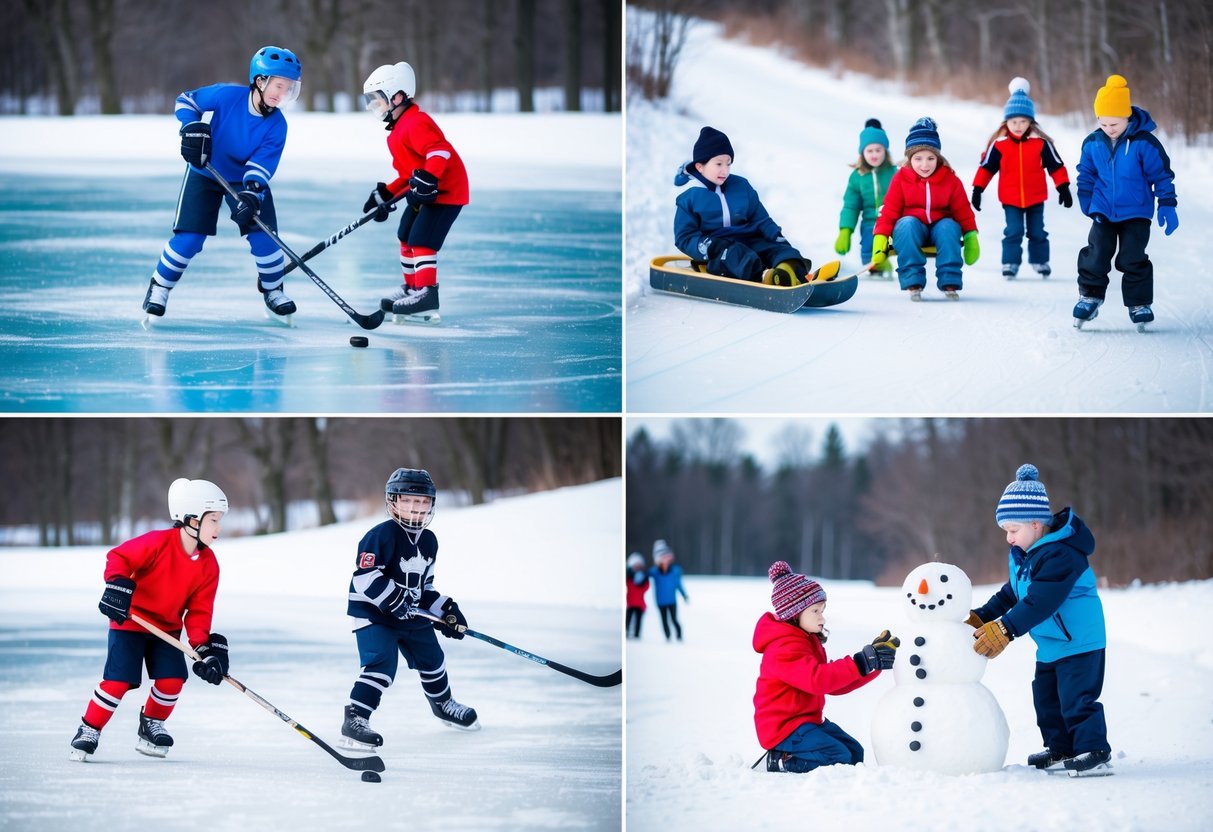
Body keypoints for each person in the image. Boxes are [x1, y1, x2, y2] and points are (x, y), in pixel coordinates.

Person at [69, 479, 231, 761]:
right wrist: (117, 585)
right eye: (213, 520)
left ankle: (151, 724)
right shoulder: (157, 542)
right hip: (130, 623)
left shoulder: (209, 565)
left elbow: (199, 610)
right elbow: (119, 556)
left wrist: (203, 648)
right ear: (192, 520)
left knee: (172, 680)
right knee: (118, 681)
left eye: (220, 521)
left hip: (166, 629)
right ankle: (89, 728)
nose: (218, 528)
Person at [968, 463, 1112, 776]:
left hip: (1080, 641)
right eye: (1005, 530)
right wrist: (981, 616)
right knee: (1046, 699)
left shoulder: (1062, 554)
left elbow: (1041, 600)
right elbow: (1013, 593)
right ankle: (1061, 748)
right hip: (1051, 644)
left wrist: (1005, 628)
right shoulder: (1027, 555)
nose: (1008, 538)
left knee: (1077, 699)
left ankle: (1094, 749)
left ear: (1036, 524)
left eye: (1013, 530)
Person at [142, 46, 303, 323]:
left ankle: (273, 289)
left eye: (288, 88)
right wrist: (191, 127)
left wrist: (252, 193)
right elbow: (186, 101)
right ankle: (159, 287)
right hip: (205, 171)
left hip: (244, 180)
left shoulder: (278, 125)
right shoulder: (227, 96)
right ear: (260, 81)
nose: (282, 94)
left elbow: (262, 164)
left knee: (265, 237)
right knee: (190, 238)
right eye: (278, 85)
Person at [341, 467, 478, 750]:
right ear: (393, 501)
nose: (415, 508)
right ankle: (355, 718)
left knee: (433, 658)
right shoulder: (380, 535)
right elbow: (365, 578)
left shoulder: (429, 541)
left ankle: (442, 704)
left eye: (422, 501)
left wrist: (446, 610)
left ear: (431, 504)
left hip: (409, 614)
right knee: (381, 665)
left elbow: (423, 589)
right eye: (408, 500)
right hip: (374, 614)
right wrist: (395, 601)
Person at [753, 561, 898, 773]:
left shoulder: (805, 639)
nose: (822, 617)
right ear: (794, 613)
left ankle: (796, 755)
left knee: (854, 753)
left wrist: (871, 665)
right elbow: (817, 679)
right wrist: (860, 662)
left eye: (822, 610)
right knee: (837, 757)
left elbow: (831, 684)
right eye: (815, 611)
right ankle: (783, 759)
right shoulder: (782, 648)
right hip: (784, 728)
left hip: (806, 721)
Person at [360, 62, 469, 325]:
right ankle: (412, 288)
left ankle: (427, 295)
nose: (376, 105)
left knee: (422, 239)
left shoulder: (416, 122)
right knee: (406, 234)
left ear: (398, 97)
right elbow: (408, 175)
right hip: (426, 191)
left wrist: (429, 178)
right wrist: (386, 193)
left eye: (379, 99)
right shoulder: (397, 131)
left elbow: (439, 151)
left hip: (446, 192)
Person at [1073, 74, 1178, 330]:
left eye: (1115, 123)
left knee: (1133, 257)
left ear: (1127, 116)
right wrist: (1087, 201)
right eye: (1104, 123)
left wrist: (1167, 203)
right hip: (1103, 211)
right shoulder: (1093, 143)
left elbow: (1161, 175)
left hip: (1136, 213)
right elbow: (1085, 174)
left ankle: (1139, 303)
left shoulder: (1144, 143)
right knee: (1096, 253)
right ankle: (1090, 296)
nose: (1109, 128)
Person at [674, 126, 810, 286]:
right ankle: (765, 277)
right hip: (720, 248)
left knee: (776, 248)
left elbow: (761, 219)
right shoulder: (690, 199)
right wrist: (708, 247)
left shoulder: (741, 186)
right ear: (699, 166)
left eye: (728, 164)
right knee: (737, 256)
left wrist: (776, 236)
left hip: (749, 240)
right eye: (718, 164)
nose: (725, 170)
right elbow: (684, 237)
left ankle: (790, 271)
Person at [971, 78, 1073, 279]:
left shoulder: (1041, 144)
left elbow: (1056, 166)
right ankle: (1010, 262)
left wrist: (1063, 187)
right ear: (1006, 122)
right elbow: (986, 169)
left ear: (1030, 122)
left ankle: (1039, 260)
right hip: (1010, 198)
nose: (1018, 126)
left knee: (1037, 231)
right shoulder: (999, 145)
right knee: (1013, 231)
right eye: (1014, 121)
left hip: (1036, 197)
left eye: (1023, 121)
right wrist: (977, 189)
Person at [872, 117, 980, 301]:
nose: (925, 165)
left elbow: (963, 210)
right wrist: (881, 237)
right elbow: (889, 210)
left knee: (949, 226)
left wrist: (970, 237)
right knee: (906, 224)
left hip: (940, 229)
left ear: (938, 158)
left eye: (930, 158)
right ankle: (913, 280)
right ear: (909, 159)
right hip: (913, 230)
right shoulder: (900, 180)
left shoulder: (950, 180)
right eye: (918, 159)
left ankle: (950, 280)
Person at [835, 118, 897, 278]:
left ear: (885, 151)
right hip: (871, 223)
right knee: (868, 251)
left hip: (894, 221)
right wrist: (845, 231)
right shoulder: (857, 177)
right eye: (870, 151)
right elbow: (851, 206)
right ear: (863, 153)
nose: (874, 154)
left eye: (878, 150)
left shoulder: (895, 173)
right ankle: (876, 268)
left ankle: (905, 267)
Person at [648, 539, 688, 641]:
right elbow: (642, 577)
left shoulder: (674, 571)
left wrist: (684, 595)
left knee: (674, 619)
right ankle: (668, 637)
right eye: (663, 558)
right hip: (660, 601)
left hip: (672, 601)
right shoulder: (655, 572)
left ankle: (679, 635)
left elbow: (678, 585)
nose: (665, 560)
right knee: (664, 620)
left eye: (667, 557)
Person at [625, 552, 650, 639]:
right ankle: (626, 631)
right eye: (635, 565)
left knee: (638, 620)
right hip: (630, 603)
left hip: (640, 604)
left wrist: (642, 582)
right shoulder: (629, 577)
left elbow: (646, 587)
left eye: (638, 565)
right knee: (628, 619)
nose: (636, 567)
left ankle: (637, 634)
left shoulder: (643, 577)